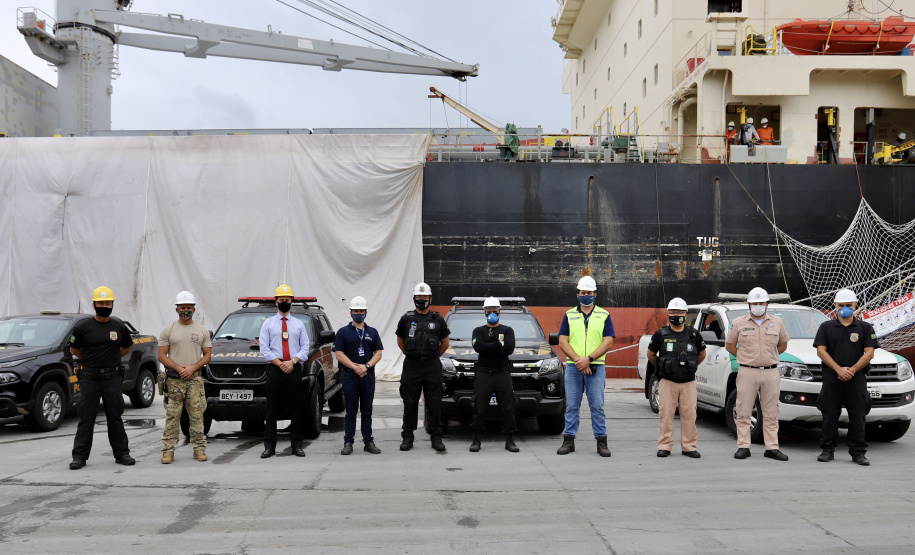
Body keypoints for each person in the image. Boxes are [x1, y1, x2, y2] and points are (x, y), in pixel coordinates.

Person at [68, 286, 135, 470]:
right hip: (90, 378)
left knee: (115, 417)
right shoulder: (83, 327)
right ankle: (79, 457)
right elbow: (74, 349)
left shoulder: (118, 326)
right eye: (101, 303)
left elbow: (126, 347)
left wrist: (111, 359)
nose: (104, 306)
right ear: (94, 305)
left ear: (112, 304)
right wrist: (90, 360)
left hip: (112, 378)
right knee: (86, 418)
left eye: (107, 303)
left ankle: (122, 454)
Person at [813, 289, 878, 466]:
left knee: (858, 415)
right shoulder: (826, 327)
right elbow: (821, 351)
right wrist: (838, 369)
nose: (845, 308)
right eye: (841, 305)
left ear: (855, 305)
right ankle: (827, 449)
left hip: (856, 378)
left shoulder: (865, 328)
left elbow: (870, 353)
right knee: (829, 414)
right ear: (835, 305)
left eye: (848, 305)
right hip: (832, 377)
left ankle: (858, 452)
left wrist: (852, 370)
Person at [725, 287, 789, 461]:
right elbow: (730, 345)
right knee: (743, 410)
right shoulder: (739, 323)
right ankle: (743, 447)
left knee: (771, 412)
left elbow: (783, 344)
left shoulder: (777, 322)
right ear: (749, 304)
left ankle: (772, 448)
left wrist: (769, 356)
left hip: (770, 371)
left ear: (767, 304)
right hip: (747, 371)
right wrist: (745, 357)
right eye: (755, 303)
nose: (758, 306)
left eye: (761, 303)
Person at [556, 275, 615, 457]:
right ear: (578, 295)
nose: (586, 296)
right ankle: (569, 440)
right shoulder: (569, 315)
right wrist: (579, 361)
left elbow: (608, 342)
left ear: (595, 295)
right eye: (583, 293)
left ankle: (601, 442)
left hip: (595, 367)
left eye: (589, 293)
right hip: (574, 367)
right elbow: (562, 341)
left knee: (597, 406)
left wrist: (588, 359)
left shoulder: (604, 315)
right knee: (572, 406)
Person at [646, 297, 706, 458]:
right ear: (668, 314)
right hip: (667, 382)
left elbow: (701, 354)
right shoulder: (660, 334)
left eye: (679, 312)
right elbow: (651, 354)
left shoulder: (694, 335)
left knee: (689, 416)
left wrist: (690, 366)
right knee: (666, 415)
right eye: (672, 312)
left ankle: (689, 447)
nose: (676, 315)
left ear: (686, 315)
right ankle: (664, 446)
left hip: (688, 382)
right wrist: (662, 367)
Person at [395, 282, 450, 452]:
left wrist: (432, 356)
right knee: (410, 403)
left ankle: (436, 437)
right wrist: (412, 354)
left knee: (434, 403)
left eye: (424, 297)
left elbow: (445, 343)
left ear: (430, 299)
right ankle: (407, 437)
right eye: (419, 297)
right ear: (414, 298)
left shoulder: (438, 320)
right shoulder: (406, 319)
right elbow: (400, 341)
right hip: (411, 366)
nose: (422, 300)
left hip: (432, 366)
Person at [158, 291, 212, 464]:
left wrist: (192, 368)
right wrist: (178, 368)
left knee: (197, 416)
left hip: (195, 380)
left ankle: (199, 449)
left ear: (194, 309)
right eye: (182, 308)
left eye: (189, 307)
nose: (186, 311)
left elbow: (207, 355)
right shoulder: (168, 330)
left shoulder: (202, 330)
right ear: (177, 309)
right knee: (172, 416)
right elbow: (162, 355)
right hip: (174, 381)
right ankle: (168, 451)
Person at [259, 284, 309, 458]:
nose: (284, 302)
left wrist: (292, 361)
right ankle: (269, 446)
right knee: (272, 408)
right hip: (275, 368)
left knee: (296, 407)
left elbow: (305, 347)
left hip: (293, 368)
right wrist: (280, 363)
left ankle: (297, 445)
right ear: (276, 302)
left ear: (292, 302)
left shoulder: (299, 325)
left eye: (287, 300)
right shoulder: (268, 324)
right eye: (281, 300)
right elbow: (264, 348)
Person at [334, 296, 383, 455]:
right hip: (350, 375)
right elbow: (339, 354)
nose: (359, 313)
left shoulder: (372, 332)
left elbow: (378, 353)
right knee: (351, 411)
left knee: (367, 411)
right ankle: (348, 442)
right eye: (356, 310)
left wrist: (366, 366)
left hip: (368, 376)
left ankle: (368, 441)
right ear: (350, 312)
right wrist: (355, 367)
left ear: (366, 312)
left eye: (361, 311)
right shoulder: (343, 332)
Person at [469, 297, 518, 453]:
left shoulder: (507, 330)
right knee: (479, 407)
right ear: (485, 312)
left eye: (495, 311)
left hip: (502, 373)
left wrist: (488, 348)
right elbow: (478, 347)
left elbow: (509, 349)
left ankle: (510, 440)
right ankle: (476, 440)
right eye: (489, 311)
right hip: (484, 374)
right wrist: (497, 344)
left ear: (499, 312)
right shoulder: (478, 331)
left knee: (508, 408)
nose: (492, 314)